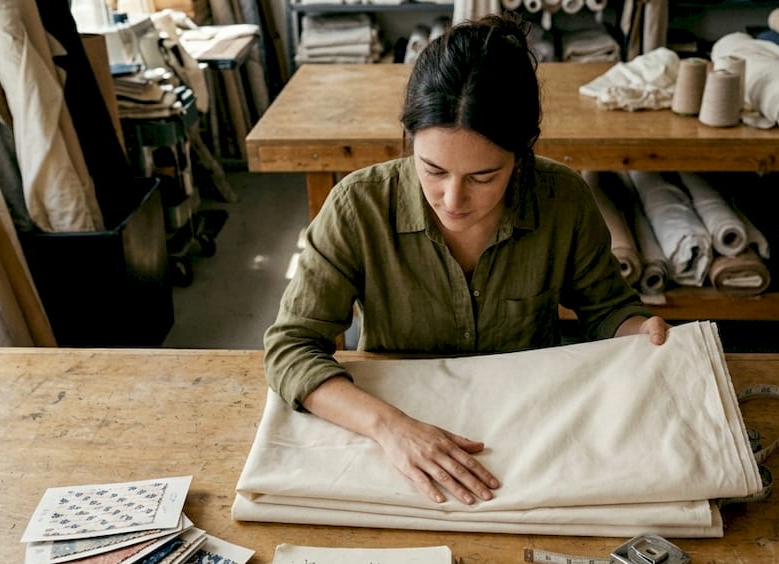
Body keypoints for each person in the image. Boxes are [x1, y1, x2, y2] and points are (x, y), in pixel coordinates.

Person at [263, 14, 669, 507]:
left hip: (530, 426)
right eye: (433, 170)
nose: (452, 200)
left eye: (482, 177)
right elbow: (291, 347)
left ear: (521, 155)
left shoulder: (561, 199)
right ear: (410, 139)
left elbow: (607, 309)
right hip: (394, 431)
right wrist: (390, 428)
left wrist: (639, 330)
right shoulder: (359, 206)